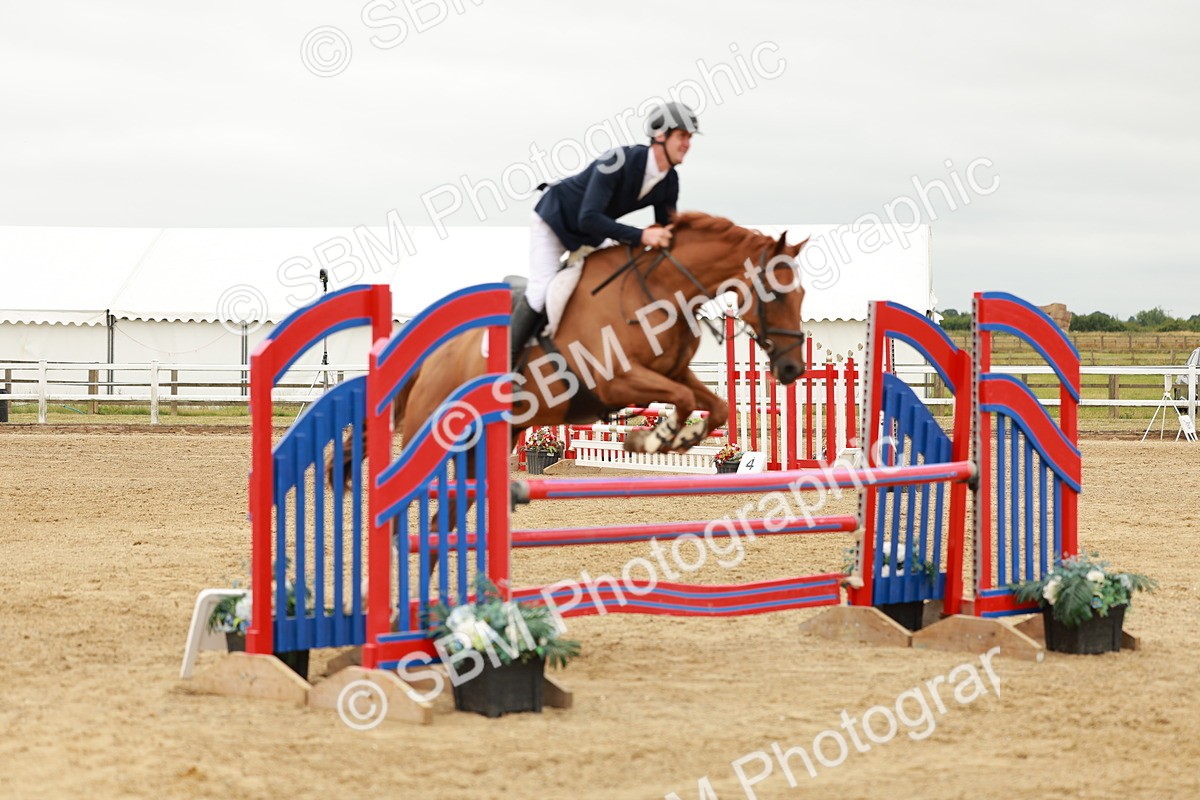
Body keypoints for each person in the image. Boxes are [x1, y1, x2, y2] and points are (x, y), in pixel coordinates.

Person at [510, 101, 700, 365]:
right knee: (541, 291)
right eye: (682, 136)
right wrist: (642, 236)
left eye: (689, 137)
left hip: (590, 234)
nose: (687, 144)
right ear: (660, 135)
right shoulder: (617, 161)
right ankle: (507, 367)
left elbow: (666, 233)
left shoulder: (669, 181)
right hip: (555, 220)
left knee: (607, 284)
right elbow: (588, 218)